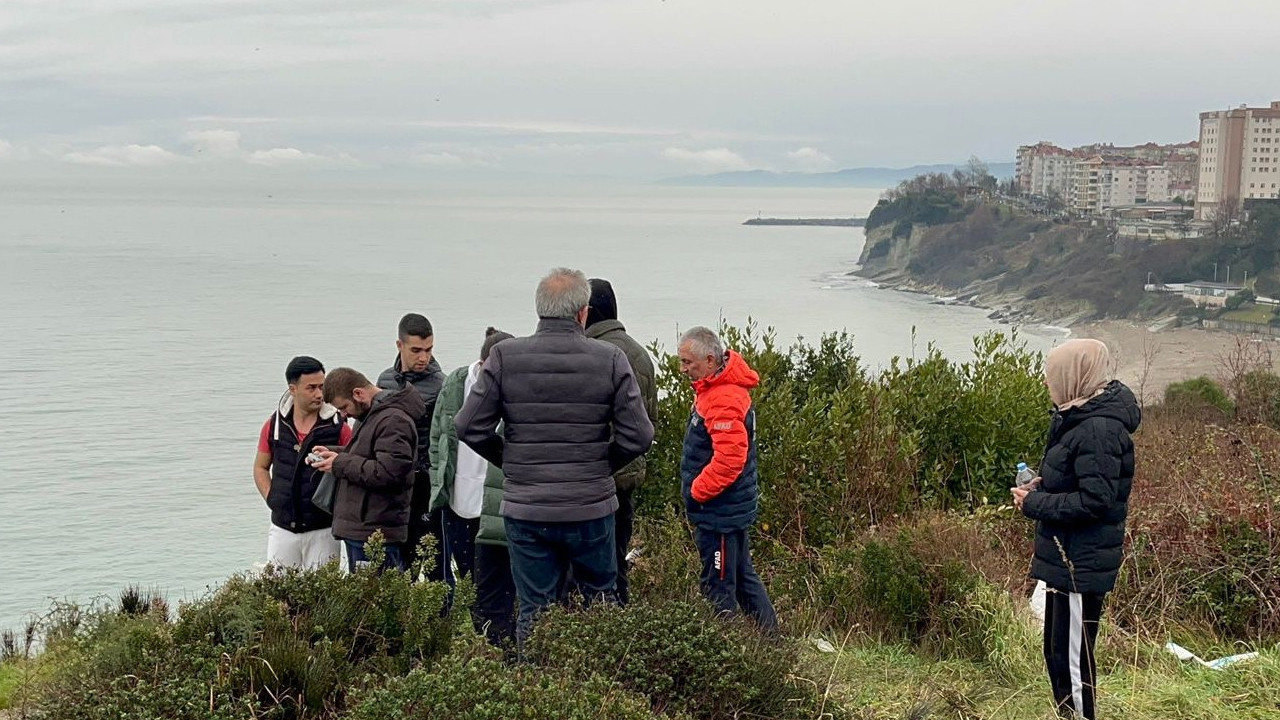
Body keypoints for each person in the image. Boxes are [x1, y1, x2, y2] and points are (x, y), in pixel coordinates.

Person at [455, 267, 654, 650]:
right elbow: (640, 435)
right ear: (582, 313)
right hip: (591, 507)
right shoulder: (610, 358)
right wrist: (601, 467)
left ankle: (537, 686)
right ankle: (606, 687)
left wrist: (512, 464)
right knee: (601, 600)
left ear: (539, 310)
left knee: (534, 608)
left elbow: (468, 426)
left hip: (528, 510)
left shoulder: (503, 356)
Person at [1013, 338, 1140, 720]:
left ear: (1075, 376)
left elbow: (1095, 501)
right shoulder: (1077, 417)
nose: (1048, 383)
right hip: (1065, 558)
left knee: (1071, 662)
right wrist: (1041, 487)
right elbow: (1080, 484)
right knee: (1056, 652)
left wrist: (1033, 504)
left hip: (1079, 565)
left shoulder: (1097, 428)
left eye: (1053, 376)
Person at [677, 326, 777, 630]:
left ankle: (726, 655)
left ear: (710, 360)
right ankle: (771, 643)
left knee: (718, 586)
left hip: (720, 512)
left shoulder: (723, 398)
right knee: (743, 576)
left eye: (687, 362)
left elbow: (730, 459)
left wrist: (697, 491)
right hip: (728, 509)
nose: (683, 370)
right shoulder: (716, 391)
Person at [429, 327, 517, 648]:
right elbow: (438, 438)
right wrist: (438, 485)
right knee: (467, 580)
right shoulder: (454, 383)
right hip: (458, 502)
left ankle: (497, 643)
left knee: (495, 584)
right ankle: (481, 642)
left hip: (494, 508)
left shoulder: (515, 389)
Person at [583, 278, 657, 605]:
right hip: (626, 476)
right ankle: (621, 624)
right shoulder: (639, 354)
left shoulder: (590, 352)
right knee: (617, 558)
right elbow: (648, 422)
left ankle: (592, 627)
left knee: (587, 564)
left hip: (592, 477)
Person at [310, 367, 425, 573]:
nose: (344, 415)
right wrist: (334, 453)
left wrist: (339, 463)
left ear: (358, 394)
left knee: (375, 601)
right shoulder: (372, 415)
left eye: (344, 407)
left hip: (376, 529)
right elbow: (369, 454)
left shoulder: (393, 420)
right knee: (368, 599)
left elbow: (389, 472)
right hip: (364, 527)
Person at [253, 356, 350, 569]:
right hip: (282, 528)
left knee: (324, 594)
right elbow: (260, 467)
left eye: (322, 387)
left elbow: (353, 465)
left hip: (324, 528)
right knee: (280, 594)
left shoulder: (338, 426)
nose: (319, 394)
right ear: (293, 389)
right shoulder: (274, 425)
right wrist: (273, 499)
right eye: (311, 388)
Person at [377, 313, 447, 581]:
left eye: (428, 350)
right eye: (416, 350)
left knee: (433, 561)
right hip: (394, 485)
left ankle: (442, 619)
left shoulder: (442, 383)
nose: (424, 357)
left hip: (426, 484)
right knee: (396, 562)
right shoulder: (384, 381)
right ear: (400, 345)